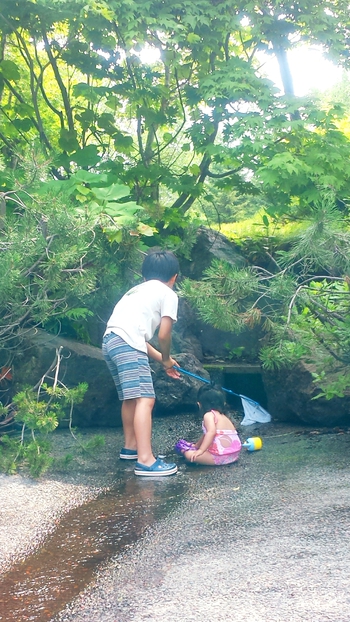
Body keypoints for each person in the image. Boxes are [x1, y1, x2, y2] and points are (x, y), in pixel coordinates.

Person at [102, 249, 181, 477]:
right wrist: (166, 357)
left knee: (131, 397)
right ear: (174, 277)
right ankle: (146, 460)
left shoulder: (135, 291)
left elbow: (135, 336)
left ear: (144, 275)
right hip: (127, 343)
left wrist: (164, 361)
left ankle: (131, 447)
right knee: (146, 398)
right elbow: (164, 335)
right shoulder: (168, 294)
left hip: (111, 341)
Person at [175, 384, 242, 465]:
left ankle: (184, 450)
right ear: (223, 403)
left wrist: (200, 450)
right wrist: (196, 445)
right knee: (203, 446)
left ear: (199, 404)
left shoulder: (209, 415)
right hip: (234, 455)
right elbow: (206, 435)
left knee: (190, 455)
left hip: (220, 457)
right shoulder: (224, 416)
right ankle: (196, 449)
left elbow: (211, 432)